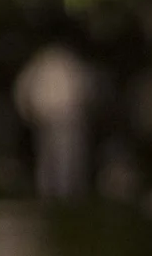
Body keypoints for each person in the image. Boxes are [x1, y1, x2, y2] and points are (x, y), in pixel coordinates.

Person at [15, 40, 97, 201]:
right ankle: (58, 192)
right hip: (57, 117)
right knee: (58, 154)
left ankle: (61, 192)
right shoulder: (64, 64)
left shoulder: (60, 64)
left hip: (62, 116)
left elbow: (23, 89)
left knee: (61, 154)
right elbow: (86, 89)